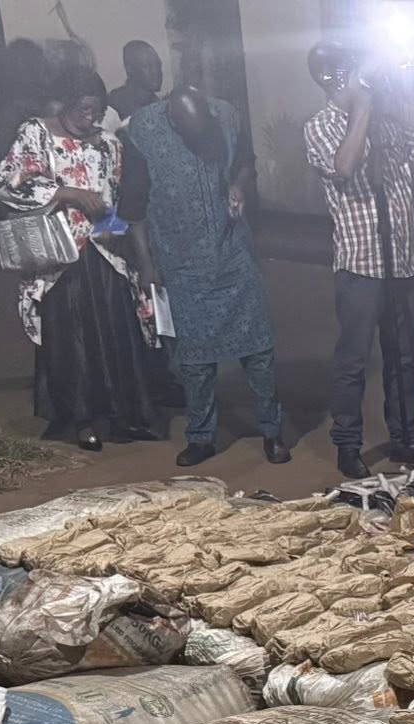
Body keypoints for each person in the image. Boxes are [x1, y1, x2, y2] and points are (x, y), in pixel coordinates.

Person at [0, 65, 158, 452]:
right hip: (59, 257)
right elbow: (6, 183)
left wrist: (111, 228)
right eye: (83, 110)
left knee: (118, 333)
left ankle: (121, 416)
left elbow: (112, 198)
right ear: (65, 103)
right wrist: (65, 193)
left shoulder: (108, 144)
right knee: (73, 338)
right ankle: (80, 419)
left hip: (103, 254)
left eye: (96, 112)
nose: (91, 118)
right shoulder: (35, 133)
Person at [305, 41, 414, 481]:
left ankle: (404, 438)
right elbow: (344, 166)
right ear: (331, 80)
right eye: (350, 73)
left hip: (403, 261)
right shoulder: (320, 126)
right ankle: (347, 445)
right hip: (360, 265)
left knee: (402, 358)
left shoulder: (388, 122)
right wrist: (362, 105)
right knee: (353, 359)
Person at [124, 86, 288, 466]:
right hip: (181, 265)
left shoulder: (226, 116)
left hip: (233, 253)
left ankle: (272, 431)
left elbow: (247, 162)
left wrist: (238, 185)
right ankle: (200, 437)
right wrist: (147, 264)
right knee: (194, 362)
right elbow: (133, 206)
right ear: (173, 121)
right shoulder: (142, 132)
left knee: (259, 351)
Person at [108, 40, 164, 126]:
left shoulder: (160, 105)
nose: (155, 71)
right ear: (130, 70)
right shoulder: (114, 105)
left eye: (158, 65)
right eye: (147, 66)